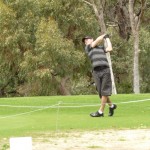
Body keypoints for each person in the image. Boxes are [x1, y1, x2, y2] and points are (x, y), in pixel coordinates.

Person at [82, 34, 117, 117]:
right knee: (101, 93)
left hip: (105, 70)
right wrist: (104, 35)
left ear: (92, 39)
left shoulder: (101, 48)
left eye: (88, 39)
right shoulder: (88, 48)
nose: (86, 41)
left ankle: (100, 112)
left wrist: (107, 38)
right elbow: (97, 40)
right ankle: (112, 106)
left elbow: (110, 48)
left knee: (104, 91)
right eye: (85, 41)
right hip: (96, 71)